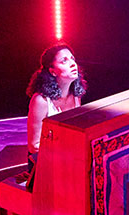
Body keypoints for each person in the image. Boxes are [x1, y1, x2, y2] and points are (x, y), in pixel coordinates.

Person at [24, 42, 86, 190]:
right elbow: (34, 146)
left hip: (68, 159)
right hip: (44, 165)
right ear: (52, 71)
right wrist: (66, 157)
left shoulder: (76, 96)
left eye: (72, 59)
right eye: (64, 61)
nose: (72, 64)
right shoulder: (41, 100)